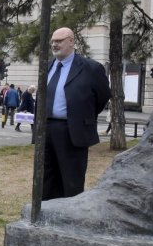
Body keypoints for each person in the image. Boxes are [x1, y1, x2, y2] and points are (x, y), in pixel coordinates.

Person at [44, 27, 111, 200]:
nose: (54, 44)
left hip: (73, 131)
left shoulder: (91, 68)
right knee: (47, 179)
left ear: (71, 41)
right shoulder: (47, 66)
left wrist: (82, 117)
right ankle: (46, 214)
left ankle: (69, 218)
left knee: (71, 180)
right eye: (53, 41)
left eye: (59, 41)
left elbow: (102, 96)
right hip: (47, 130)